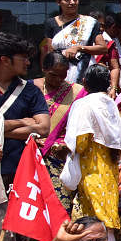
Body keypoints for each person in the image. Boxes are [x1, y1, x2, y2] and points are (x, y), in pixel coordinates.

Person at [62, 64, 121, 233]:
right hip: (110, 168)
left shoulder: (83, 104)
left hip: (91, 167)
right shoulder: (111, 104)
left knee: (95, 217)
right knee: (108, 214)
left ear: (84, 82)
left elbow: (81, 142)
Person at [0, 32, 50, 185]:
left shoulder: (31, 90)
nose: (28, 62)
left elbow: (43, 129)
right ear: (5, 60)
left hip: (22, 175)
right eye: (24, 58)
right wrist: (23, 121)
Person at [31, 51, 83, 210]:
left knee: (58, 207)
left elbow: (80, 125)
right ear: (44, 69)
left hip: (59, 157)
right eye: (54, 75)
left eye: (63, 75)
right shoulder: (30, 87)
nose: (59, 80)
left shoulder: (76, 92)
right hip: (30, 154)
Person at [41, 0, 106, 84]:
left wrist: (79, 48)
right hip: (60, 73)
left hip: (84, 72)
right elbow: (50, 51)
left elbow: (102, 48)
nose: (72, 2)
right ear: (58, 2)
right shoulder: (51, 23)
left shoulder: (89, 23)